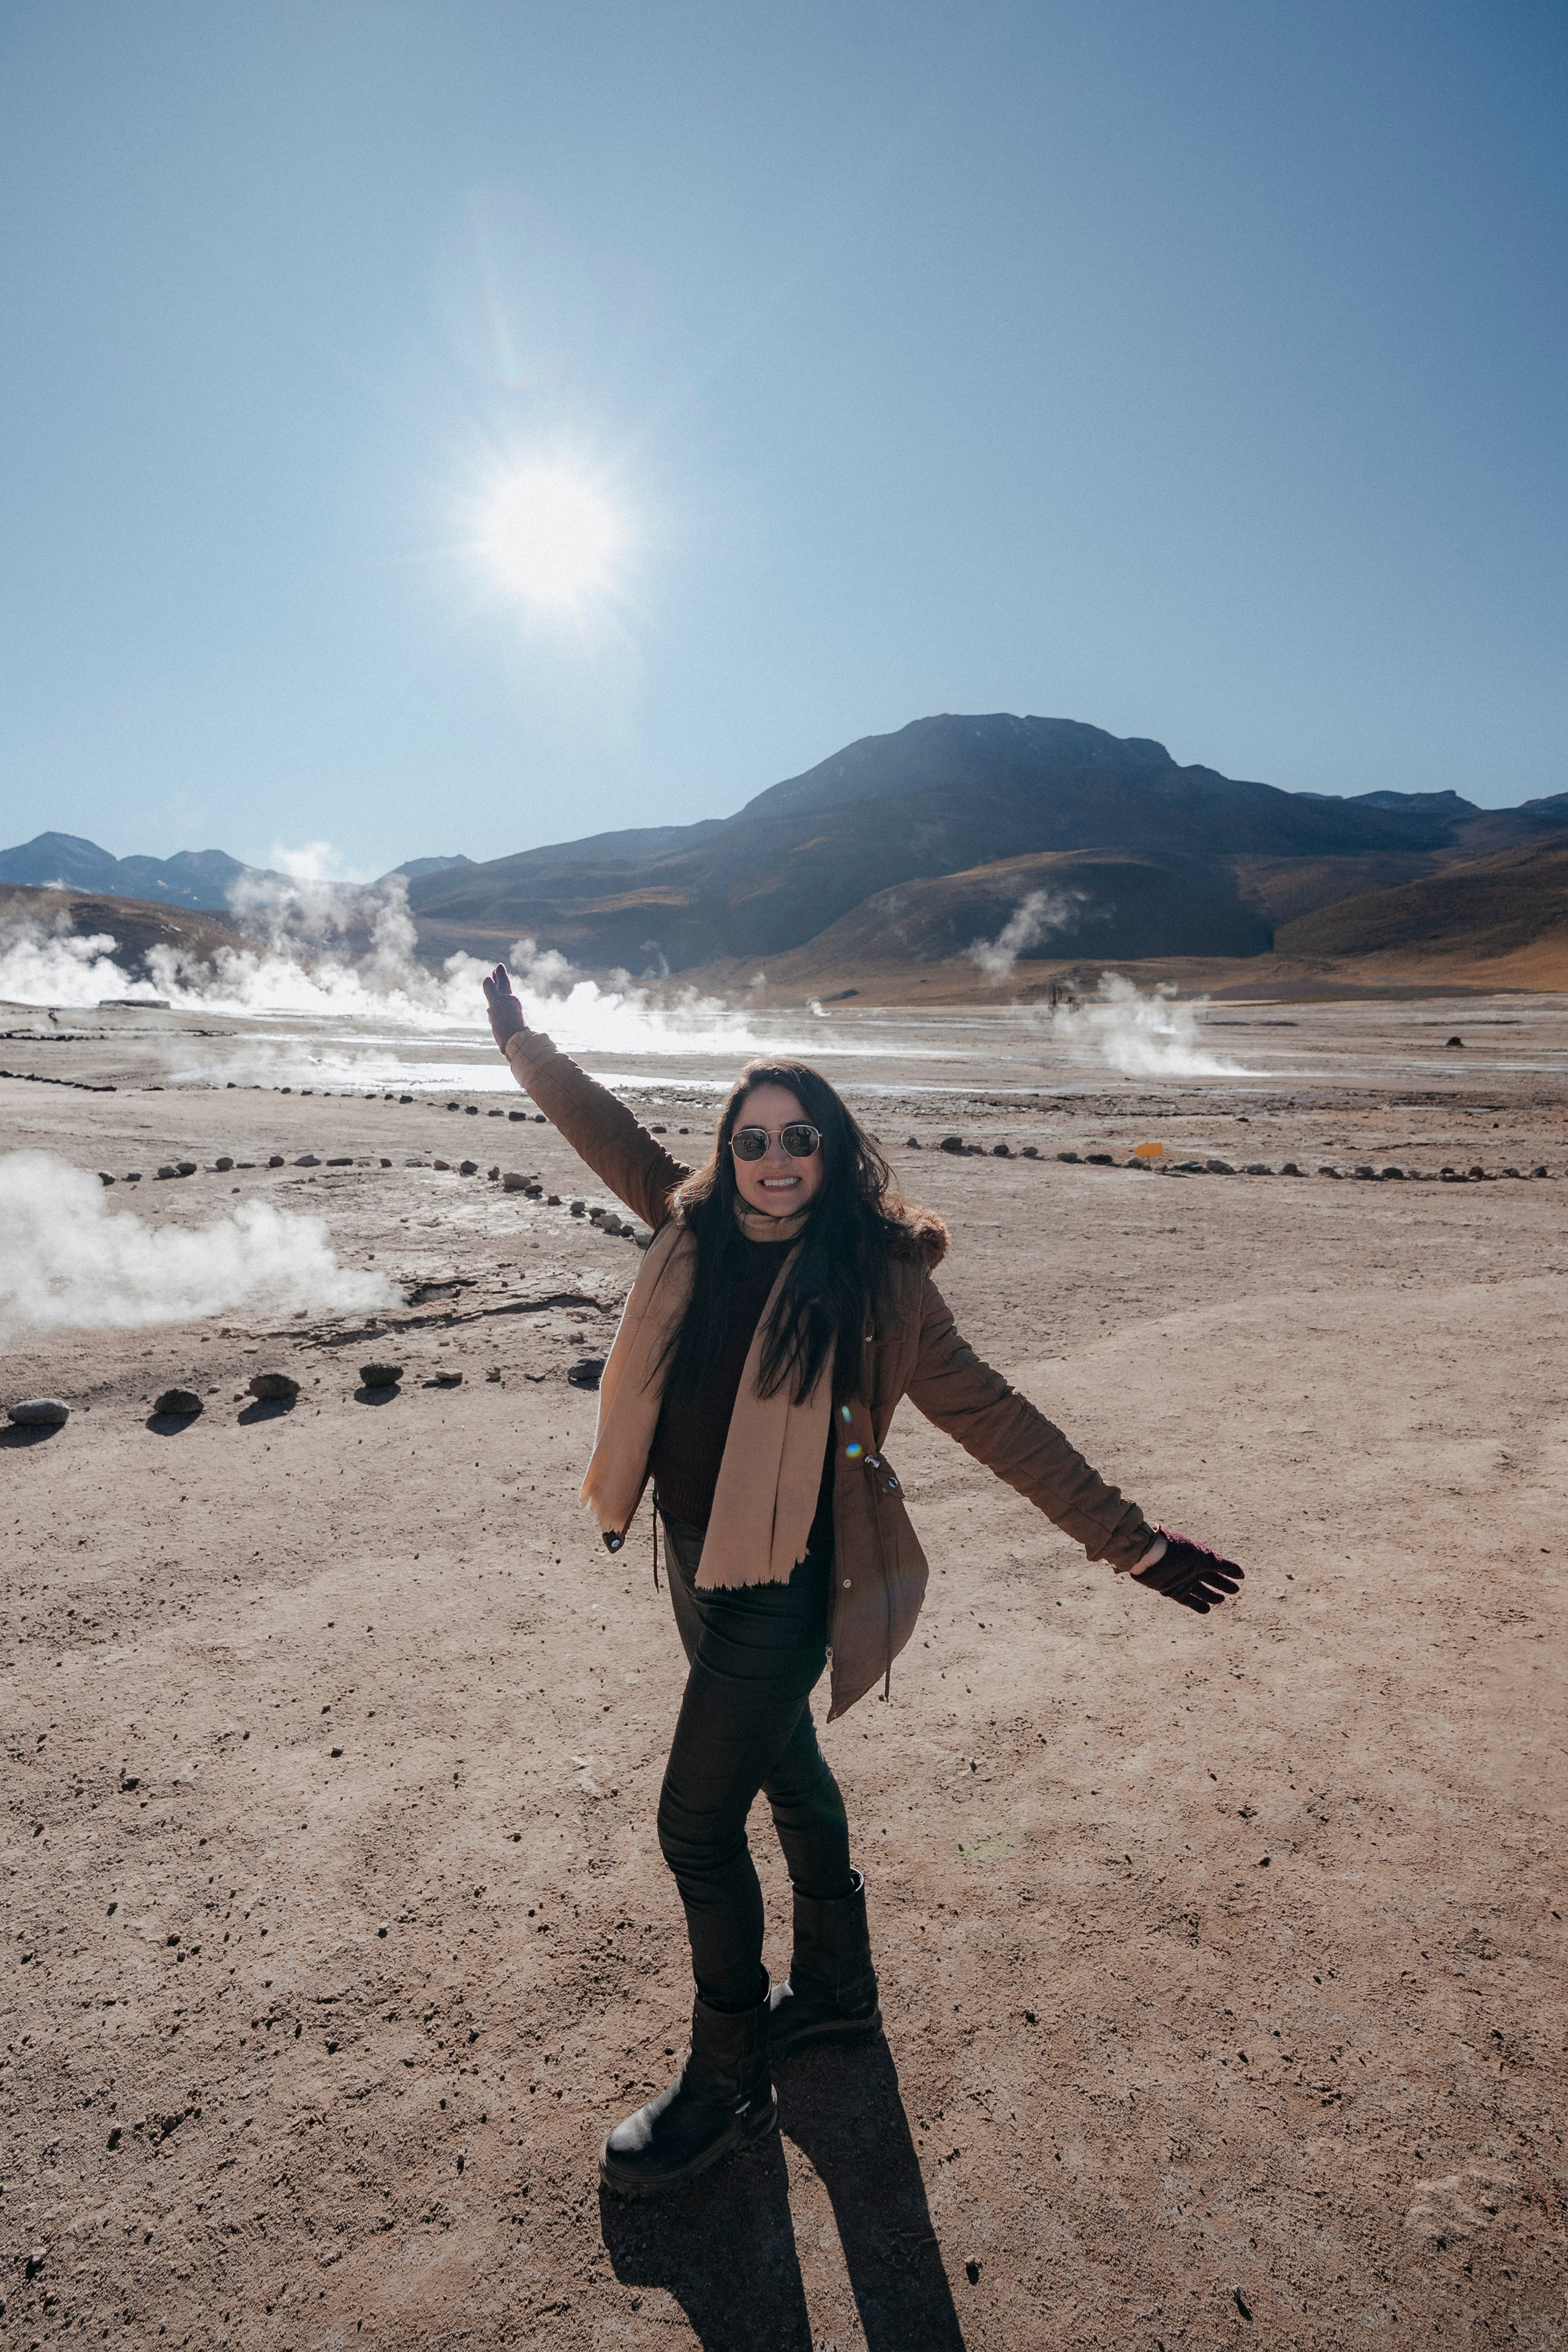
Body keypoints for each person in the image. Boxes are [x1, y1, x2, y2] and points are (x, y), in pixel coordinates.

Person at [481, 963, 1243, 2199]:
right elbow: (604, 1131)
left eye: (798, 1138)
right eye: (752, 1140)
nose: (773, 1158)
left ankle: (726, 2082)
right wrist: (525, 1048)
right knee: (780, 1765)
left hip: (782, 1580)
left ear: (832, 1152)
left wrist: (1133, 1543)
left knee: (692, 1823)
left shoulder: (880, 1286)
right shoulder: (690, 1226)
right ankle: (834, 1992)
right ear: (727, 1154)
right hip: (689, 1552)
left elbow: (998, 1420)